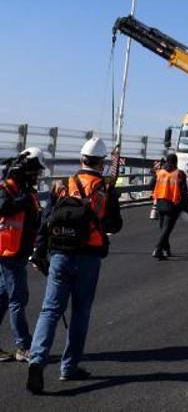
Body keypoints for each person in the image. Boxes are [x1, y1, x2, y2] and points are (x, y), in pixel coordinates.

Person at [27, 136, 122, 394]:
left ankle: (36, 360)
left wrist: (39, 252)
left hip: (59, 254)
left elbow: (46, 220)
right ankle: (68, 368)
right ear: (101, 163)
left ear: (81, 159)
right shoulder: (104, 188)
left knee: (50, 310)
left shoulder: (62, 185)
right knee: (80, 312)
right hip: (88, 257)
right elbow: (115, 225)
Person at [0, 149, 45, 363]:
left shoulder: (26, 190)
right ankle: (23, 346)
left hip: (18, 251)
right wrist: (23, 199)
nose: (37, 176)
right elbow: (3, 208)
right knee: (18, 298)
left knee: (3, 297)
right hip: (10, 252)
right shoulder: (8, 187)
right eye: (35, 171)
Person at [151, 153, 188, 260]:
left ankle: (166, 250)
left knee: (163, 228)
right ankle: (158, 248)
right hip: (172, 204)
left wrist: (155, 173)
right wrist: (185, 207)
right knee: (167, 228)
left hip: (160, 202)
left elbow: (151, 185)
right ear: (176, 162)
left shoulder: (160, 172)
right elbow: (184, 192)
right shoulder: (179, 174)